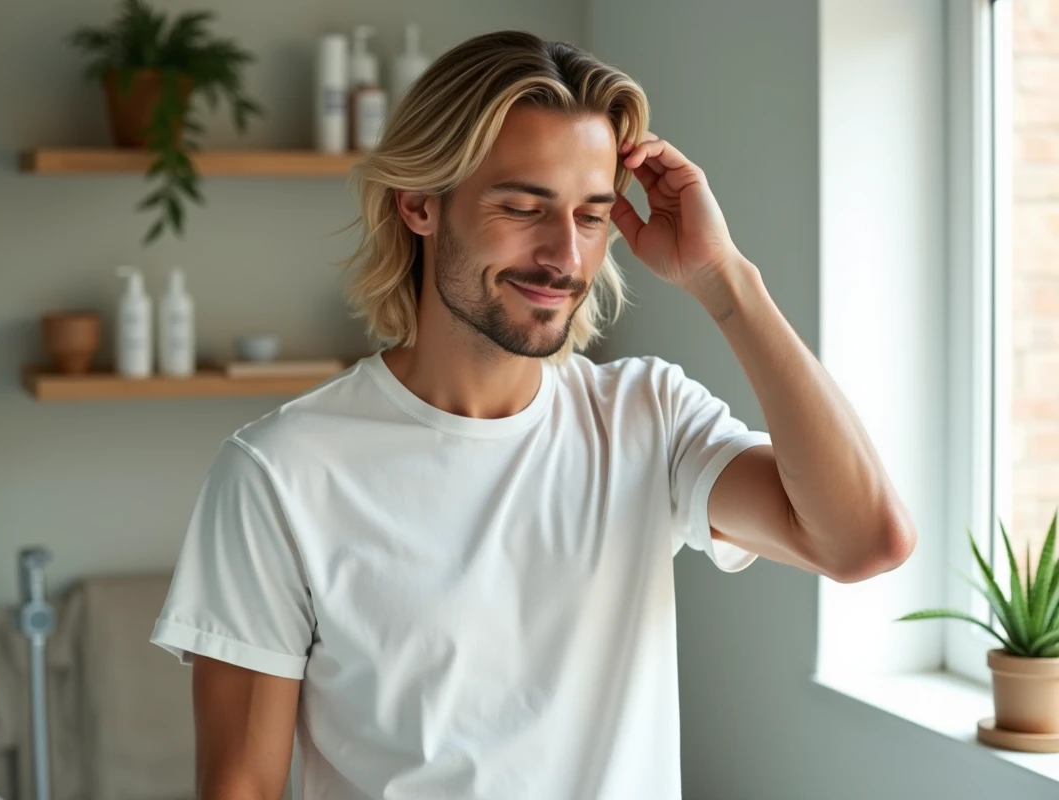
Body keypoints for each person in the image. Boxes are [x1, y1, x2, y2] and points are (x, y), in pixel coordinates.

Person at [150, 29, 916, 800]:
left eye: (591, 216)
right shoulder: (277, 474)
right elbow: (240, 787)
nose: (564, 256)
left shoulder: (646, 418)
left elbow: (864, 541)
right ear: (420, 204)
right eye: (523, 206)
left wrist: (726, 281)